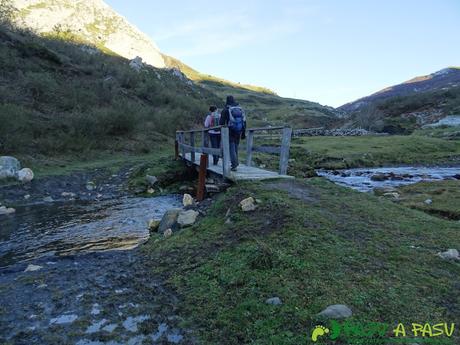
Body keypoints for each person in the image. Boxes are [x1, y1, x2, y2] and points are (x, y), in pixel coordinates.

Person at [219, 95, 246, 171]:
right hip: (238, 131)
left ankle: (234, 164)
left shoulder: (226, 109)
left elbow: (221, 122)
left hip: (229, 131)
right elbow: (244, 121)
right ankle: (235, 162)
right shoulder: (240, 109)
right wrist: (243, 132)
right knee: (235, 148)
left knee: (231, 148)